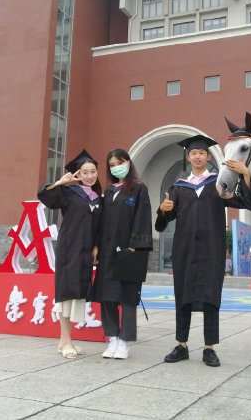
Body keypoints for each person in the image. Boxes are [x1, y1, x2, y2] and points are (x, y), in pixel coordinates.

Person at [156, 135, 251, 367]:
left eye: (202, 153)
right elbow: (161, 224)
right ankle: (181, 344)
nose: (198, 156)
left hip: (212, 250)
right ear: (189, 157)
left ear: (208, 157)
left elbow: (246, 203)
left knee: (211, 297)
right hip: (184, 251)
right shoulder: (179, 187)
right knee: (183, 296)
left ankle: (209, 348)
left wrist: (246, 174)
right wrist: (162, 210)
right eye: (194, 153)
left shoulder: (218, 184)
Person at [38, 150, 102, 359]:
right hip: (70, 249)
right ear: (78, 174)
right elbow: (46, 197)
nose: (90, 175)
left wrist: (96, 247)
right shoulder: (68, 193)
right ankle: (65, 340)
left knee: (77, 294)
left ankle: (64, 341)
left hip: (85, 252)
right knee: (66, 294)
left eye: (93, 171)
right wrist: (60, 183)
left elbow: (100, 226)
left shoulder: (97, 197)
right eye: (85, 172)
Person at [91, 149, 152, 360]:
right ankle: (112, 338)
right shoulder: (108, 192)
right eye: (112, 164)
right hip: (107, 253)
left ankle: (125, 341)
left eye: (120, 162)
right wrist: (96, 246)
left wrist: (136, 246)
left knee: (126, 298)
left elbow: (142, 218)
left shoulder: (138, 189)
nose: (117, 166)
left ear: (128, 162)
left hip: (128, 253)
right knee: (107, 296)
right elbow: (100, 222)